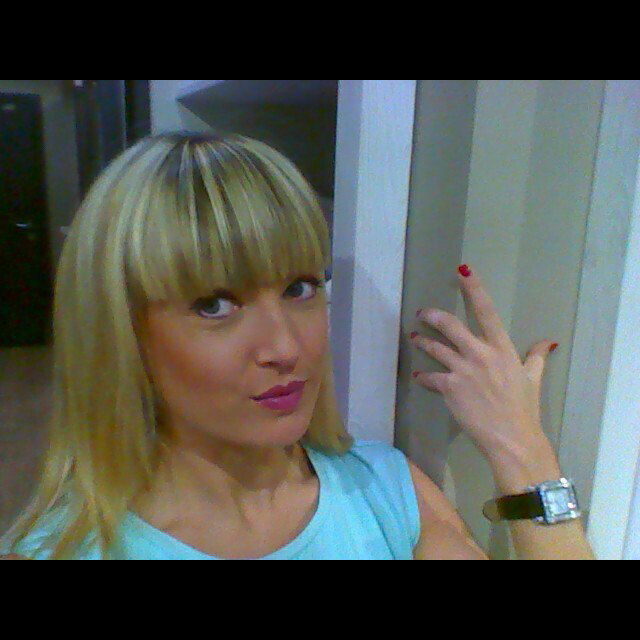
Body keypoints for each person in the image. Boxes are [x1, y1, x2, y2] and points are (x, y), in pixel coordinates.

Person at [0, 132, 594, 560]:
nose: (286, 347)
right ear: (122, 333)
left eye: (300, 288)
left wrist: (523, 451)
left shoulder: (385, 491)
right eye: (215, 305)